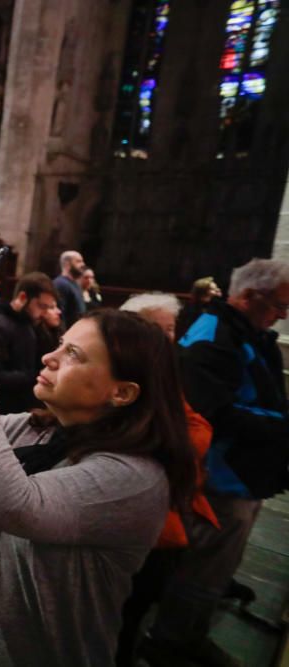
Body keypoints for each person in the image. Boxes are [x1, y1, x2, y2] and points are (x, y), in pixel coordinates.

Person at [0, 289, 196, 666]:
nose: (49, 357)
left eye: (73, 354)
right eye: (61, 344)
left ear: (122, 392)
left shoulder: (133, 477)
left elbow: (9, 504)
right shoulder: (33, 430)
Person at [145, 259, 289, 666]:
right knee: (202, 567)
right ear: (248, 297)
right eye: (278, 305)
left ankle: (185, 632)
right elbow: (214, 413)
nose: (282, 314)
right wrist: (283, 424)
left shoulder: (248, 332)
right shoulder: (212, 336)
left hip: (244, 474)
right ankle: (171, 640)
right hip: (220, 477)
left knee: (216, 564)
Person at [114, 292, 219, 666]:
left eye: (171, 330)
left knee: (137, 611)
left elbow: (198, 430)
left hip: (167, 519)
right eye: (158, 330)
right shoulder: (119, 375)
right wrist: (167, 444)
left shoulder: (163, 375)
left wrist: (169, 443)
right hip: (132, 522)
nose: (168, 339)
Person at [0, 272, 59, 414]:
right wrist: (35, 376)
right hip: (0, 409)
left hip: (23, 407)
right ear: (23, 297)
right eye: (42, 306)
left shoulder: (29, 322)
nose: (44, 313)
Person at [176, 276, 223, 340]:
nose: (218, 290)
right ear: (202, 293)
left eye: (217, 287)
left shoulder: (216, 308)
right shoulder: (193, 310)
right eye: (213, 289)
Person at [53, 249, 86, 328]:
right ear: (67, 263)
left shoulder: (75, 284)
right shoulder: (61, 284)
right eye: (78, 261)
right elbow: (60, 314)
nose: (83, 264)